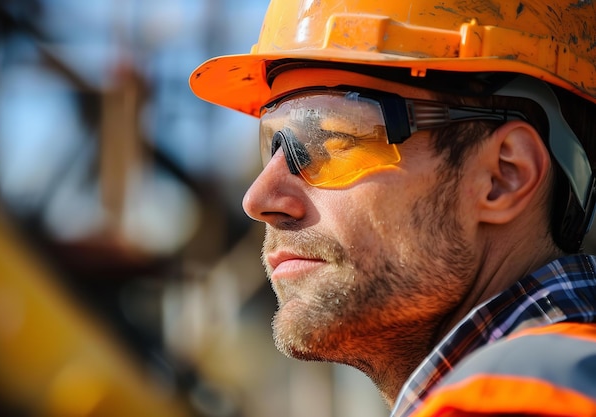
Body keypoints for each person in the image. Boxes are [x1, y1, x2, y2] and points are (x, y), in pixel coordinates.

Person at [190, 0, 596, 415]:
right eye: (272, 141)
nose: (257, 199)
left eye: (333, 138)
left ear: (502, 176)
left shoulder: (520, 402)